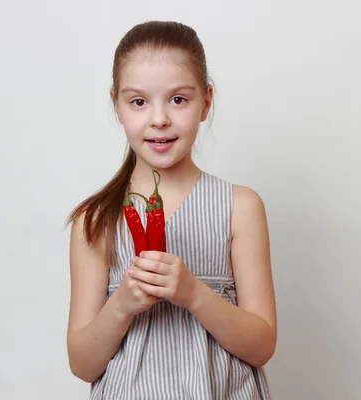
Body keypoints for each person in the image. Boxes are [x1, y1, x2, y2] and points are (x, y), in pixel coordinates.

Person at [66, 20, 277, 399]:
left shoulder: (240, 208)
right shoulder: (95, 220)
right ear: (116, 104)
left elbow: (262, 346)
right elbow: (82, 364)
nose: (159, 118)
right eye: (139, 101)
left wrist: (194, 293)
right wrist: (123, 304)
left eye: (178, 99)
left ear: (205, 102)